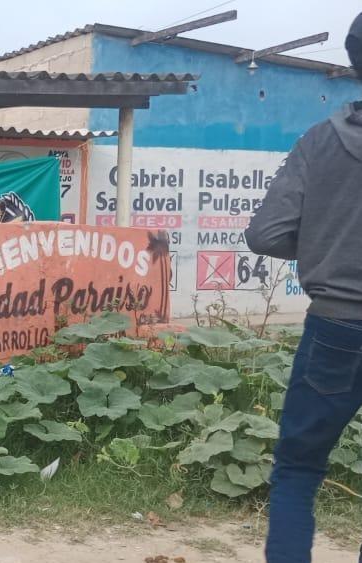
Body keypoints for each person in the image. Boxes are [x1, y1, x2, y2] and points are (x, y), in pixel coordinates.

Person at [247, 13, 362, 563]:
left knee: (298, 469)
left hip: (335, 329)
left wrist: (326, 243)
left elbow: (266, 233)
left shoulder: (320, 142)